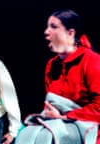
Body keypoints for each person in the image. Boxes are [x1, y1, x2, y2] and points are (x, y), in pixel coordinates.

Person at [15, 9, 100, 144]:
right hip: (59, 124)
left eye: (54, 27)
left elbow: (98, 107)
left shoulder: (92, 61)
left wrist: (66, 115)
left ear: (70, 33)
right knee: (26, 134)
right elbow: (52, 103)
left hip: (88, 129)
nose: (46, 31)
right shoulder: (52, 65)